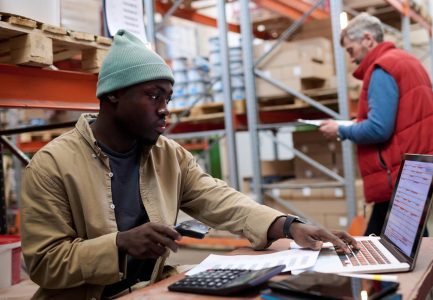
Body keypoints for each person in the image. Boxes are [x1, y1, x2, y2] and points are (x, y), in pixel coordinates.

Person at [20, 29, 358, 300]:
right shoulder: (52, 166)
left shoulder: (167, 155)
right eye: (154, 95)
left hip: (152, 290)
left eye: (168, 98)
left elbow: (221, 201)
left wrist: (288, 226)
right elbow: (44, 263)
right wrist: (119, 244)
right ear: (113, 95)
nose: (165, 108)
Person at [319, 13, 433, 236]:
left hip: (399, 174)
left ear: (367, 39)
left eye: (350, 50)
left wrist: (341, 130)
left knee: (384, 246)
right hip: (416, 170)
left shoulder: (383, 68)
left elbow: (378, 129)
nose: (351, 59)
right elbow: (402, 117)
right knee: (409, 244)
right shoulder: (408, 61)